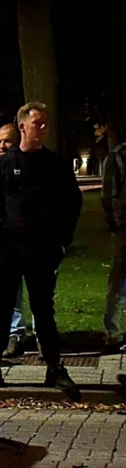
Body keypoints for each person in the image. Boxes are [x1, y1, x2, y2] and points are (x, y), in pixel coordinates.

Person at [0, 102, 83, 401]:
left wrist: (63, 241)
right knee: (2, 310)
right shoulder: (0, 165)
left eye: (46, 123)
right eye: (39, 123)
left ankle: (54, 367)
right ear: (23, 126)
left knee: (43, 310)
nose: (44, 128)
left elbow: (72, 203)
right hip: (8, 251)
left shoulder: (56, 165)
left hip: (43, 250)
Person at [0, 124, 32, 358]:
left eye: (8, 141)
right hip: (4, 241)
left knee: (38, 295)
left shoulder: (25, 167)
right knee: (4, 295)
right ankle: (9, 337)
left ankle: (29, 335)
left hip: (29, 241)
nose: (2, 146)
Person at [101, 136, 126, 353]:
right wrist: (118, 224)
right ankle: (113, 334)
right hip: (124, 229)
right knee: (119, 280)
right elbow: (109, 195)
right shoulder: (119, 155)